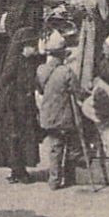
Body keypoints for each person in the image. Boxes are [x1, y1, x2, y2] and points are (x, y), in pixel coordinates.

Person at [0, 28, 41, 184]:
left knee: (18, 137)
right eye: (32, 46)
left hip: (21, 104)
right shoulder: (15, 62)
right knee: (16, 137)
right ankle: (19, 171)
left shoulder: (26, 60)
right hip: (13, 106)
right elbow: (4, 81)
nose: (35, 49)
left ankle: (17, 170)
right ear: (23, 46)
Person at [35, 33, 82, 190]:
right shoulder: (66, 72)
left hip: (48, 116)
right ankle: (69, 177)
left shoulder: (41, 70)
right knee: (71, 145)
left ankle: (54, 180)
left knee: (55, 147)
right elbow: (77, 91)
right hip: (65, 116)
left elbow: (40, 90)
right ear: (62, 54)